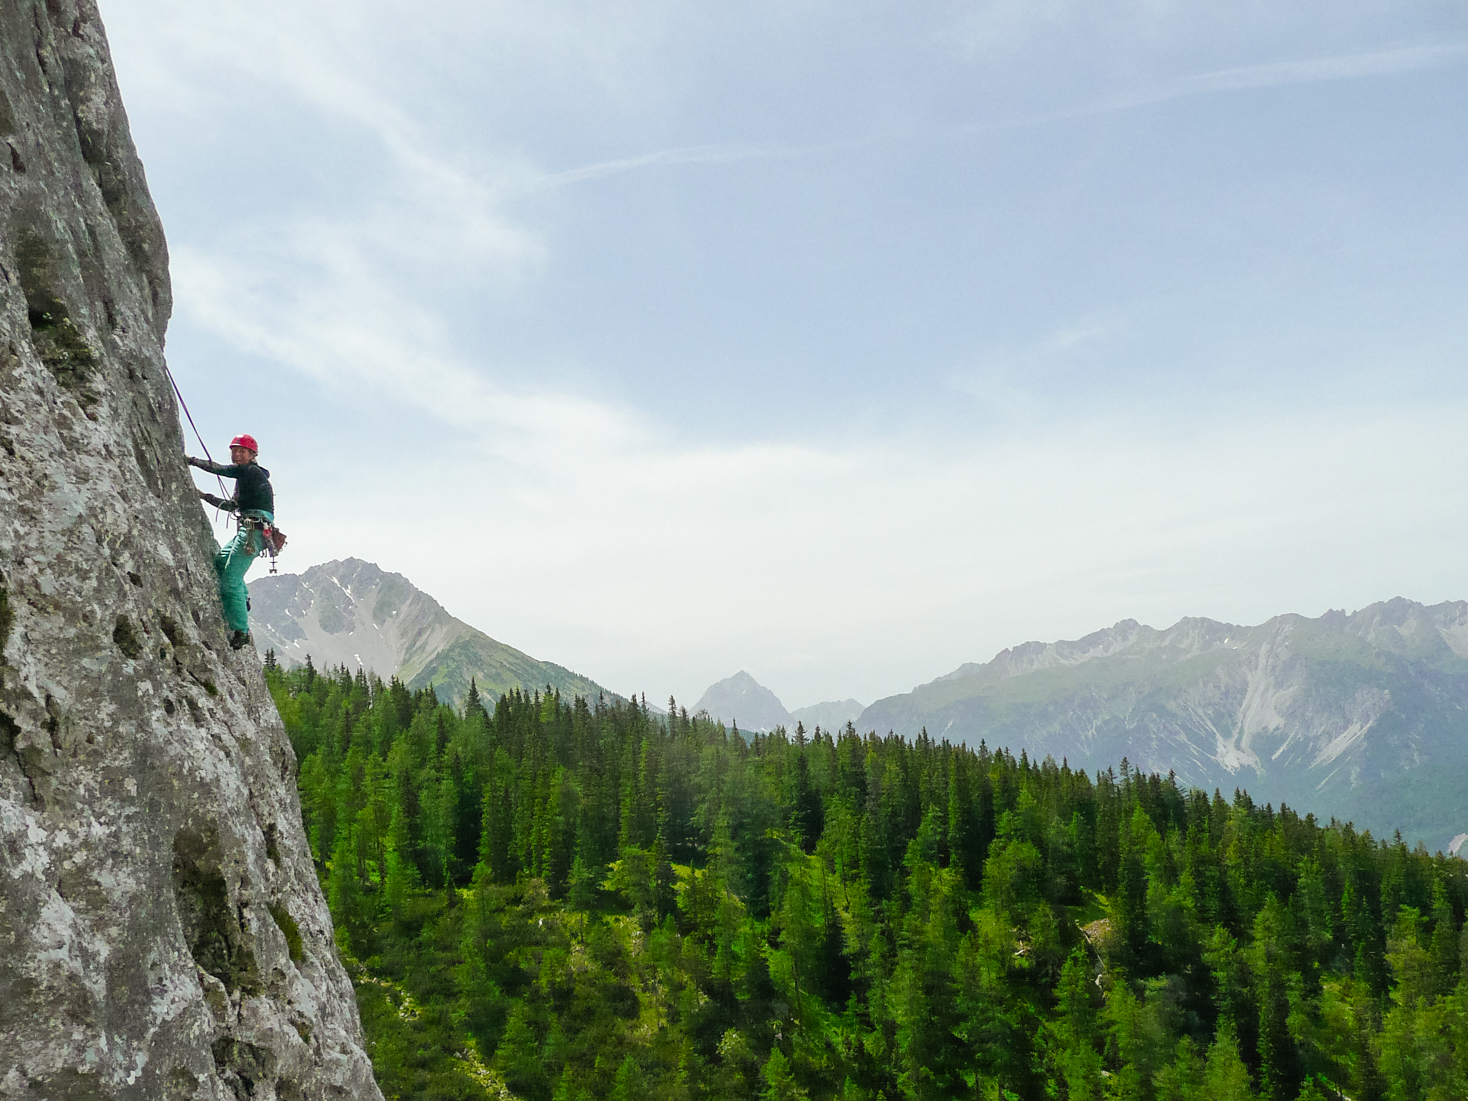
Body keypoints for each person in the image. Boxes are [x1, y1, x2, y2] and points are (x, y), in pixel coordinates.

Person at [187, 433, 274, 650]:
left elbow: (221, 470)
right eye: (235, 450)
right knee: (220, 561)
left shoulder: (248, 471)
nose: (237, 454)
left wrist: (191, 461)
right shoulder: (247, 477)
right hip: (251, 529)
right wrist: (204, 496)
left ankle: (241, 631)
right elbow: (232, 506)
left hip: (253, 532)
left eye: (242, 451)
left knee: (229, 582)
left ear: (253, 455)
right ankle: (242, 599)